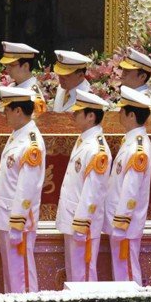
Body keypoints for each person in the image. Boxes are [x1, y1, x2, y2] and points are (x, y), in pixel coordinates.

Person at [0, 85, 46, 293]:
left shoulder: (31, 144)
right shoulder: (18, 134)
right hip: (6, 214)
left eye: (7, 110)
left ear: (18, 111)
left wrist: (18, 221)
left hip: (16, 219)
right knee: (12, 274)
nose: (5, 114)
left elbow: (27, 187)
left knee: (22, 276)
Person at [55, 89, 111, 282]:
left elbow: (93, 192)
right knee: (73, 275)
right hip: (73, 216)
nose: (74, 115)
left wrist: (82, 223)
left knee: (84, 276)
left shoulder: (97, 148)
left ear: (90, 116)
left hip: (82, 222)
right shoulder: (84, 140)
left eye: (78, 112)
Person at [104, 86, 151, 284]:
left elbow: (131, 188)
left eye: (122, 111)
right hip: (120, 220)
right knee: (121, 272)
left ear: (131, 115)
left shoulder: (137, 147)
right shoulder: (132, 141)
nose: (119, 115)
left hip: (125, 223)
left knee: (128, 274)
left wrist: (122, 220)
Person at [0, 41, 47, 116]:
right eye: (6, 65)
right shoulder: (12, 86)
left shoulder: (33, 95)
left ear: (25, 66)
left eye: (11, 65)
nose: (7, 69)